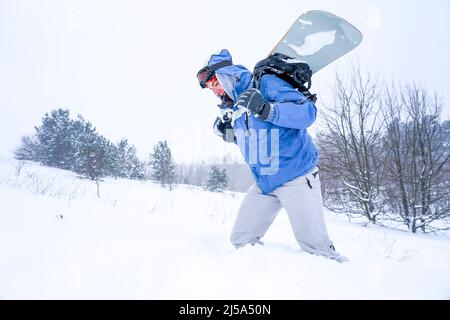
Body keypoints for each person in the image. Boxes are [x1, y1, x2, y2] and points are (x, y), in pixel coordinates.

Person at [197, 49, 347, 262]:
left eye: (215, 84)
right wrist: (228, 134)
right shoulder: (236, 108)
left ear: (226, 75)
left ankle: (346, 279)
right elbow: (253, 138)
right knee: (242, 239)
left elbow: (307, 112)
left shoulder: (265, 84)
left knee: (318, 250)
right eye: (211, 89)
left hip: (296, 176)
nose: (216, 92)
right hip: (265, 183)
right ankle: (266, 281)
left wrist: (267, 109)